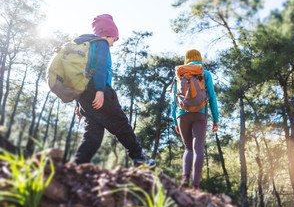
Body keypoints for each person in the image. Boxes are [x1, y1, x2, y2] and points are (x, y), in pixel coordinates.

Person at [73, 14, 155, 168]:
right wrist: (100, 90)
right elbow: (100, 67)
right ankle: (139, 158)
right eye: (113, 39)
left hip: (83, 95)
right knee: (121, 123)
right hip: (100, 90)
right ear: (107, 33)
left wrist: (79, 104)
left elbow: (78, 75)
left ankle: (78, 165)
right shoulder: (101, 43)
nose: (112, 44)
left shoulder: (85, 44)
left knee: (93, 134)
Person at [171, 49, 219, 190]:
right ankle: (195, 186)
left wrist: (175, 120)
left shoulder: (179, 74)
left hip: (182, 113)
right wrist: (215, 119)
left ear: (186, 59)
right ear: (199, 58)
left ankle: (185, 177)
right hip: (200, 113)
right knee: (198, 148)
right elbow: (212, 97)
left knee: (187, 148)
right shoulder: (205, 73)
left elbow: (172, 100)